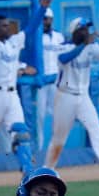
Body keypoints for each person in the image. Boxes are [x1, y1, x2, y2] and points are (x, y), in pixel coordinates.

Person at [0, 0, 49, 186]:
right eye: (4, 25)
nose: (8, 27)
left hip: (12, 94)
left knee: (22, 135)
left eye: (8, 25)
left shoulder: (14, 41)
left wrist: (41, 9)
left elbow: (30, 30)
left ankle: (28, 173)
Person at [44, 18, 99, 179]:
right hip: (65, 96)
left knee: (95, 128)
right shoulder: (64, 46)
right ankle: (47, 170)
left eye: (88, 29)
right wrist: (84, 45)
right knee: (59, 138)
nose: (87, 32)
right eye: (83, 29)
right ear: (75, 32)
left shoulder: (90, 48)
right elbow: (63, 59)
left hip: (83, 97)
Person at [35, 8, 65, 155]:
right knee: (39, 116)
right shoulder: (36, 37)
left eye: (48, 19)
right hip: (41, 82)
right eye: (44, 18)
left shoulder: (59, 37)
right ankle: (39, 148)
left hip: (55, 81)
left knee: (56, 115)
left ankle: (55, 147)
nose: (46, 21)